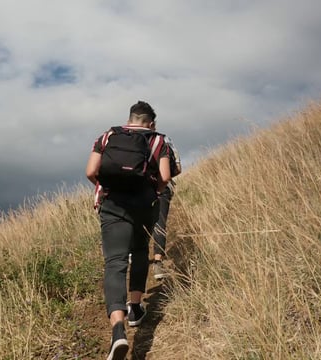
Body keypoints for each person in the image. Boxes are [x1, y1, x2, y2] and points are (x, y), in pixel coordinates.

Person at [86, 101, 172, 360]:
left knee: (115, 262)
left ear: (130, 118)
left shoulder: (107, 135)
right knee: (138, 251)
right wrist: (152, 193)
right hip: (143, 206)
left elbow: (91, 171)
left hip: (112, 205)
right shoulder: (158, 141)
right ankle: (135, 307)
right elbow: (166, 178)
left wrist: (106, 189)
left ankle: (118, 330)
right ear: (151, 123)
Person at [149, 124, 181, 280]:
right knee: (159, 222)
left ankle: (131, 256)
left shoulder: (130, 139)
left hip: (138, 188)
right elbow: (178, 168)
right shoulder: (164, 139)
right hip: (162, 187)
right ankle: (158, 263)